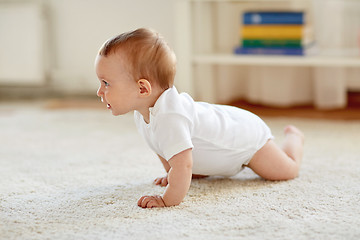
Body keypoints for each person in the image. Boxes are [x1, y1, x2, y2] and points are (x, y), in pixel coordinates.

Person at [95, 28, 304, 209]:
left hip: (246, 139)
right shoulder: (143, 114)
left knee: (286, 171)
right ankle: (203, 169)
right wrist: (171, 174)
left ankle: (295, 138)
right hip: (224, 139)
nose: (99, 91)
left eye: (106, 83)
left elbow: (184, 165)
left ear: (142, 88)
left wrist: (167, 198)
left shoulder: (171, 118)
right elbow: (163, 148)